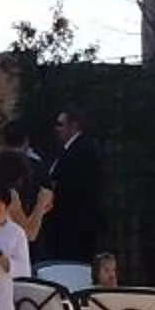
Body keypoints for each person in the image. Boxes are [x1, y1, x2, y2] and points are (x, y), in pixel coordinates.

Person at [40, 107, 106, 266]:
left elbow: (76, 187)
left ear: (73, 125)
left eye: (61, 124)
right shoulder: (67, 150)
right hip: (65, 226)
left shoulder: (83, 150)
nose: (57, 129)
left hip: (75, 226)